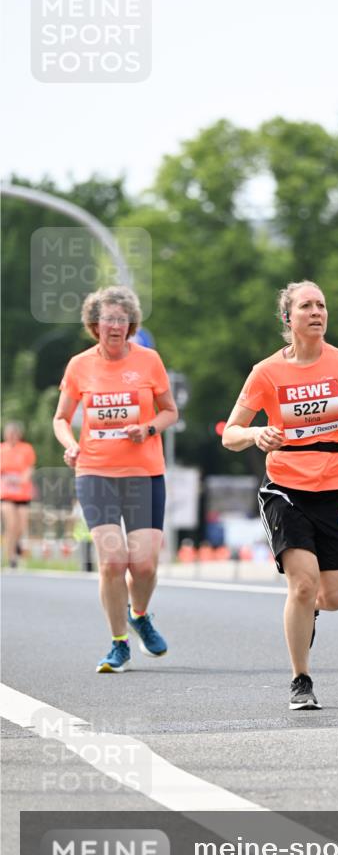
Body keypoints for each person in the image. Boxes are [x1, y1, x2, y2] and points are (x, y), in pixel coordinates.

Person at [223, 280, 338, 710]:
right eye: (307, 306)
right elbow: (231, 433)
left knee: (334, 597)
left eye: (322, 305)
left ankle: (307, 608)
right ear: (287, 318)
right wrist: (257, 433)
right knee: (303, 583)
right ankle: (301, 680)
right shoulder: (267, 372)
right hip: (286, 488)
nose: (317, 312)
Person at [53, 285, 178, 672]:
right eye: (108, 318)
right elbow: (60, 418)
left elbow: (169, 411)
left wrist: (149, 429)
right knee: (111, 562)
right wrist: (70, 445)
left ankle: (139, 614)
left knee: (143, 565)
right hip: (95, 473)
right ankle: (118, 643)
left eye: (122, 319)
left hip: (144, 474)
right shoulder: (79, 366)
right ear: (95, 324)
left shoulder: (149, 361)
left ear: (131, 324)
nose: (115, 326)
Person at [1, 421, 36, 568]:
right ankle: (11, 558)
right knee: (11, 525)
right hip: (6, 493)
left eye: (15, 434)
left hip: (22, 493)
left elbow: (30, 468)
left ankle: (16, 545)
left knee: (21, 525)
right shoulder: (1, 449)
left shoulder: (26, 448)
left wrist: (22, 479)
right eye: (10, 434)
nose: (12, 437)